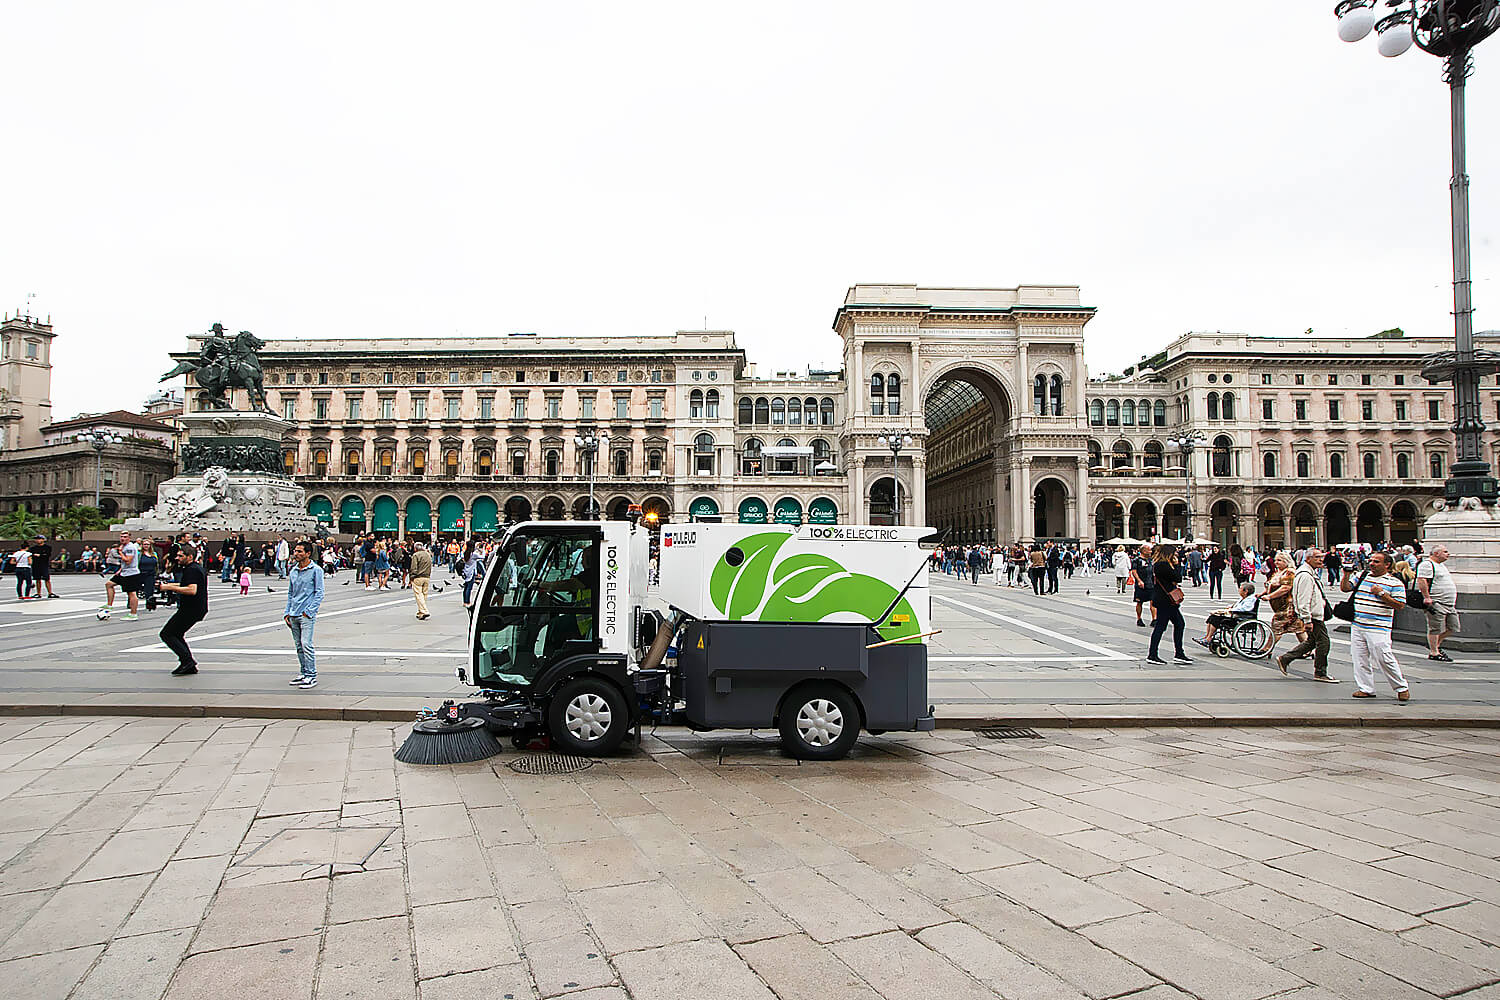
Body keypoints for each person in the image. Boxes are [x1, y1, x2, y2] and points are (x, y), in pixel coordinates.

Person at [1340, 550, 1411, 702]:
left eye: (1376, 561)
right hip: (1358, 624)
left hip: (1379, 626)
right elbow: (1346, 588)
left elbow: (1399, 605)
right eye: (1371, 560)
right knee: (1359, 658)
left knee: (1384, 657)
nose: (1372, 563)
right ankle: (1366, 688)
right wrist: (1346, 574)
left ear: (1387, 564)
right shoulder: (1362, 576)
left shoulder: (1394, 583)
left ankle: (1401, 687)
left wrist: (1382, 594)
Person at [1280, 547, 1337, 682]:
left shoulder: (1309, 573)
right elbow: (1303, 598)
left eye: (1321, 557)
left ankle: (1285, 658)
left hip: (1313, 615)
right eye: (1317, 557)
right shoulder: (1305, 575)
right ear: (1308, 558)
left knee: (1311, 641)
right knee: (1324, 642)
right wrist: (1306, 619)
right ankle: (1320, 672)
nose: (1320, 560)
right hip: (1313, 616)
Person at [157, 543, 207, 676]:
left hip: (191, 608)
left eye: (181, 556)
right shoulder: (195, 568)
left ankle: (187, 662)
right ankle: (188, 662)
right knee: (176, 634)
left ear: (189, 556)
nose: (177, 558)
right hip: (195, 608)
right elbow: (186, 584)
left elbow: (191, 590)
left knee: (167, 633)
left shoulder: (192, 570)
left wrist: (169, 588)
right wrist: (167, 585)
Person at [283, 540, 324, 688]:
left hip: (305, 614)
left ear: (308, 553)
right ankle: (304, 672)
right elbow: (291, 593)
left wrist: (310, 611)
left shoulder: (316, 570)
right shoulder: (293, 570)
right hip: (293, 613)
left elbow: (319, 593)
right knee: (299, 645)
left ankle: (311, 675)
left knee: (306, 644)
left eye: (300, 551)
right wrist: (287, 612)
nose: (296, 554)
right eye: (295, 551)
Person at [1146, 543, 1191, 664]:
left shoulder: (1159, 565)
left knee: (1177, 624)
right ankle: (1153, 654)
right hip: (1166, 600)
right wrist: (1177, 565)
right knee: (1163, 626)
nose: (1176, 554)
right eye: (1174, 552)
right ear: (1168, 554)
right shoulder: (1163, 565)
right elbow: (1178, 578)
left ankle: (1177, 653)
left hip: (1165, 600)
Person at [1259, 551, 1304, 664]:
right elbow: (1270, 585)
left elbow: (1286, 588)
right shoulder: (1278, 572)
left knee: (1277, 627)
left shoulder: (1289, 572)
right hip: (1279, 605)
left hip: (1288, 606)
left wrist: (1270, 596)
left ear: (1286, 561)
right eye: (1276, 560)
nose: (1276, 562)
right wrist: (1262, 593)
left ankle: (1267, 649)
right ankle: (1308, 649)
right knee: (1298, 628)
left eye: (1279, 560)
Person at [1417, 544, 1460, 662]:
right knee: (1435, 628)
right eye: (1445, 552)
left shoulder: (1441, 565)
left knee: (1453, 627)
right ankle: (1434, 652)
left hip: (1449, 603)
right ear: (1436, 553)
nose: (1448, 554)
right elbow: (1422, 580)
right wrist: (1427, 597)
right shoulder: (1427, 564)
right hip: (1437, 602)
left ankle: (1435, 645)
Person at [1196, 581, 1258, 648]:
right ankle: (1207, 637)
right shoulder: (1243, 598)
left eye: (1240, 588)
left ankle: (1209, 638)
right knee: (1212, 617)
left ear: (1246, 591)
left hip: (1241, 619)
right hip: (1237, 616)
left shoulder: (1251, 599)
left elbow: (1244, 609)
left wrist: (1229, 610)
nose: (1239, 590)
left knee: (1216, 619)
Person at [101, 531, 142, 621]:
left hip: (131, 573)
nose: (122, 538)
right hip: (123, 572)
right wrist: (120, 570)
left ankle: (133, 613)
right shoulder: (124, 546)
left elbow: (128, 560)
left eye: (125, 537)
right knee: (109, 584)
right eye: (121, 537)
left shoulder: (130, 547)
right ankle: (109, 605)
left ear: (129, 538)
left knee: (131, 593)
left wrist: (120, 552)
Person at [1131, 543, 1155, 627]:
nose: (1151, 552)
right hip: (1141, 584)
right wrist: (1139, 580)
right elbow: (1134, 571)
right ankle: (1139, 618)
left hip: (1151, 583)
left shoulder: (1150, 560)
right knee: (1139, 602)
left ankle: (1154, 619)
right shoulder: (1137, 560)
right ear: (1144, 551)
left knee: (1153, 601)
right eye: (1149, 550)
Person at [410, 541, 433, 620]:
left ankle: (424, 611)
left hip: (418, 577)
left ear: (415, 548)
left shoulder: (416, 555)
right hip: (427, 576)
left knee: (418, 595)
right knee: (424, 595)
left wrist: (412, 576)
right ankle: (420, 612)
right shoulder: (428, 554)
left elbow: (414, 567)